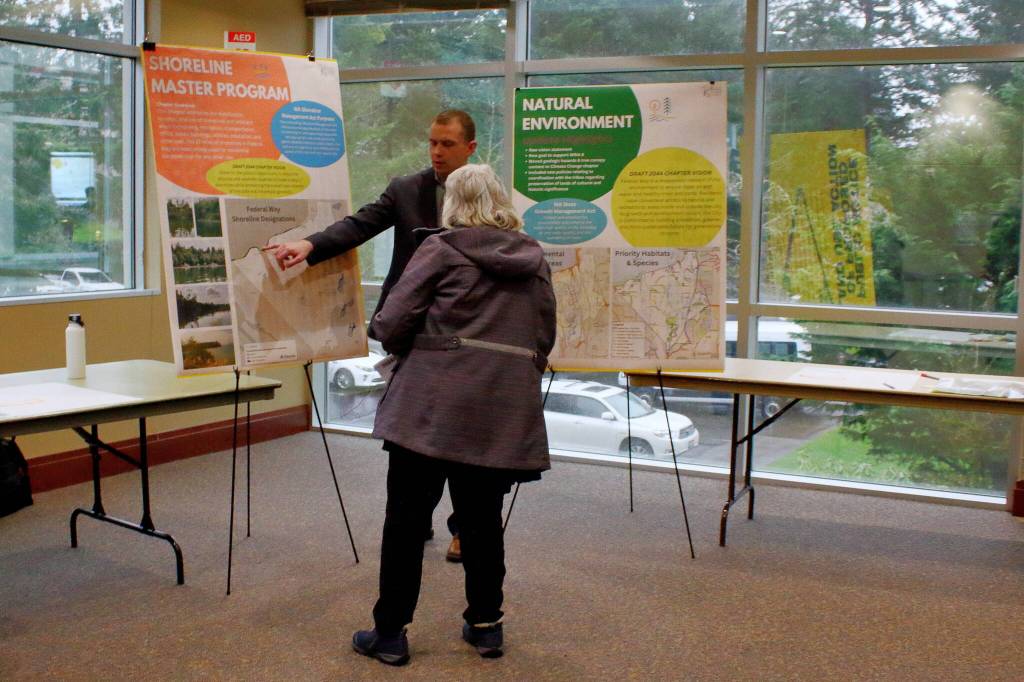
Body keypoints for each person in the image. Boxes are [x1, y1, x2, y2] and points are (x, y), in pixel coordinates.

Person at [351, 164, 556, 666]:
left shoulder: (440, 249)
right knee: (482, 521)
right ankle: (486, 626)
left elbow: (393, 322)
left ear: (453, 205)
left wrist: (401, 339)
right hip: (498, 409)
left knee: (406, 521)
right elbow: (543, 335)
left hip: (430, 407)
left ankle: (391, 634)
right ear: (500, 200)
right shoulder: (534, 259)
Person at [264, 109, 477, 560]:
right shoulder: (406, 189)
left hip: (463, 332)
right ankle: (414, 520)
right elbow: (360, 224)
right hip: (411, 331)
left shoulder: (483, 194)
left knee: (459, 435)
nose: (437, 152)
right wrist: (309, 245)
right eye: (432, 143)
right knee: (409, 435)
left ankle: (465, 527)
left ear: (470, 149)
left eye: (447, 144)